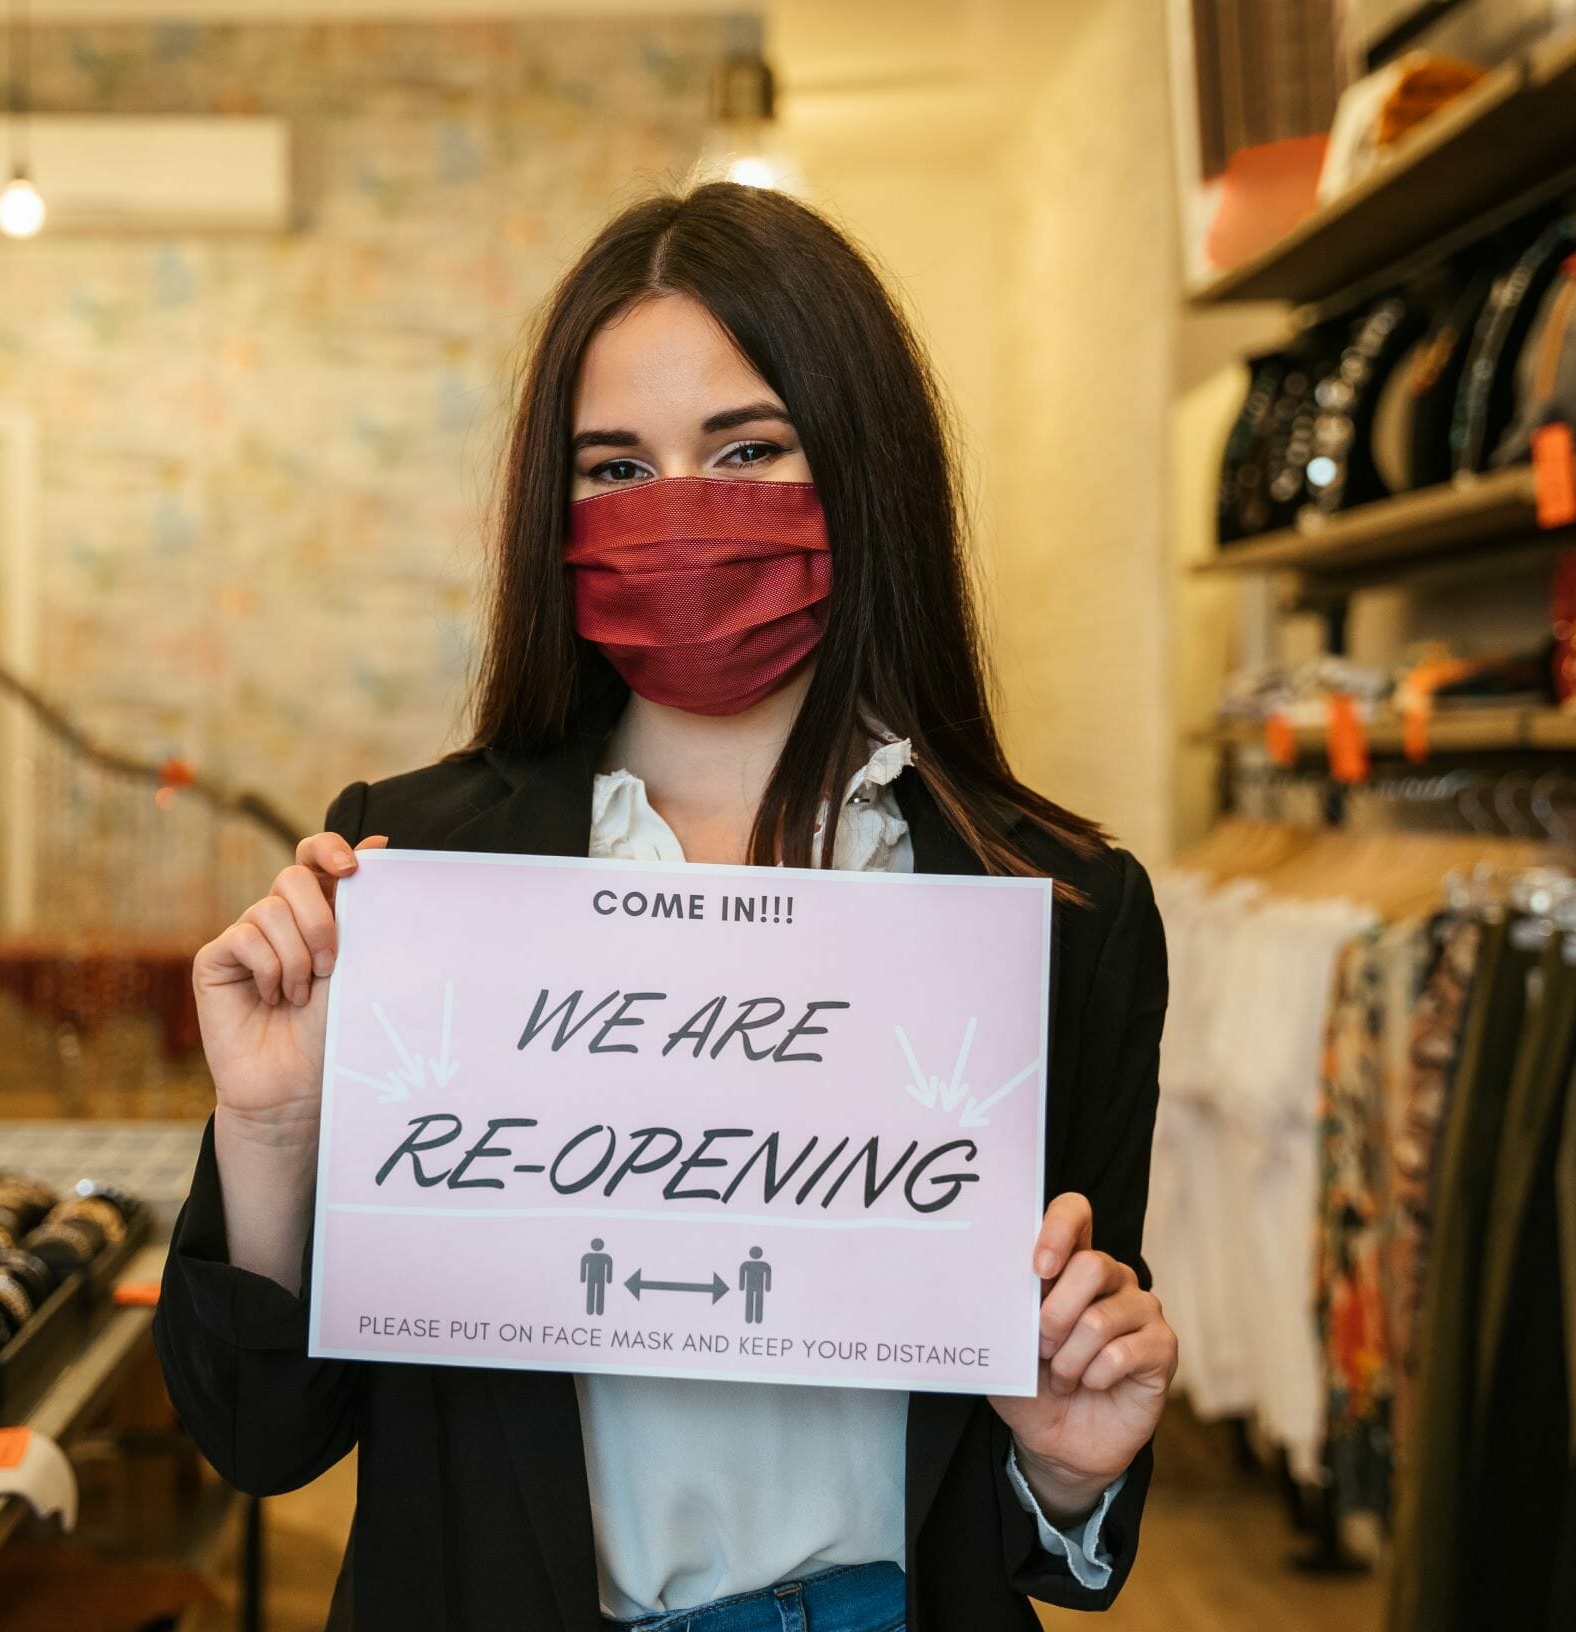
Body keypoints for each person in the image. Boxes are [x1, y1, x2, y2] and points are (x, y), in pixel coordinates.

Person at [154, 182, 1176, 1632]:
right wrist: (269, 1133)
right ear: (551, 512)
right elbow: (259, 1439)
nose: (679, 511)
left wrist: (1066, 1477)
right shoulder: (411, 870)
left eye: (747, 447)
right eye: (614, 468)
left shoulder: (1056, 913)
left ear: (863, 468)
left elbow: (1046, 1446)